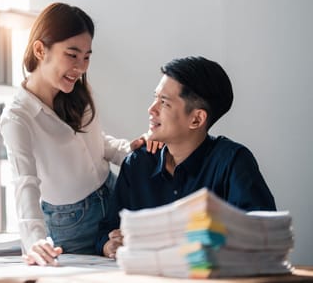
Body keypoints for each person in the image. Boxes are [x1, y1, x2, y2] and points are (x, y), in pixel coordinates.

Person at [0, 2, 156, 266]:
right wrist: (35, 241)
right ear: (40, 49)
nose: (81, 66)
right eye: (72, 55)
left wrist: (129, 149)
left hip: (114, 194)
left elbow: (96, 143)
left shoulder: (75, 93)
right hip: (71, 223)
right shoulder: (17, 117)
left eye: (86, 56)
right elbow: (24, 182)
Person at [97, 56, 276, 258]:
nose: (151, 109)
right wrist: (108, 245)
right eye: (155, 97)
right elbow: (107, 229)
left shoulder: (232, 162)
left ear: (196, 119)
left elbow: (261, 232)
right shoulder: (139, 162)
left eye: (164, 103)